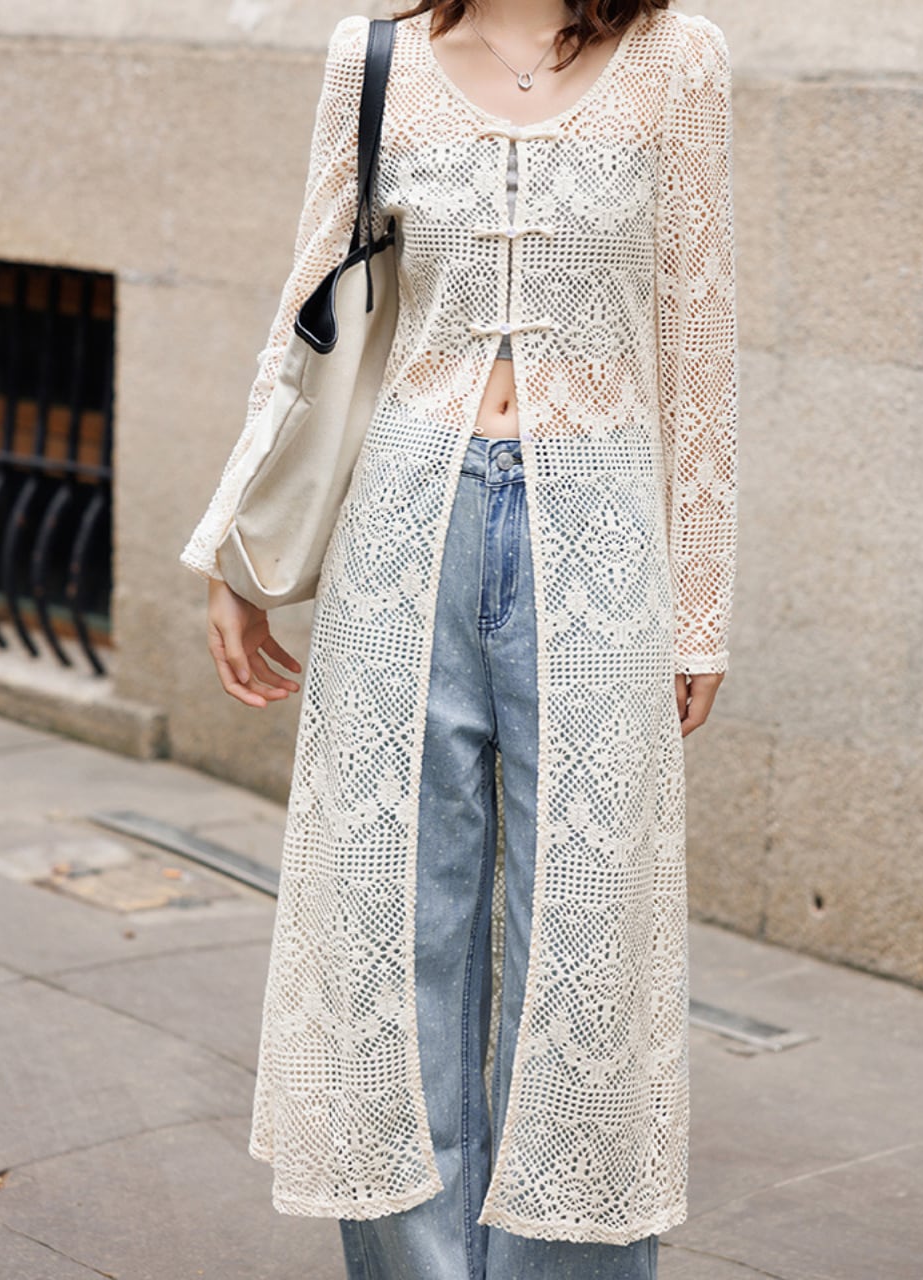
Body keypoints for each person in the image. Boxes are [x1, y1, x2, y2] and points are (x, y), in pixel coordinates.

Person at [178, 1, 738, 1276]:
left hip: (599, 542)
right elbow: (305, 316)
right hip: (402, 525)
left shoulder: (678, 59)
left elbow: (700, 337)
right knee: (388, 930)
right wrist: (238, 548)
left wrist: (701, 598)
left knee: (586, 947)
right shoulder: (372, 59)